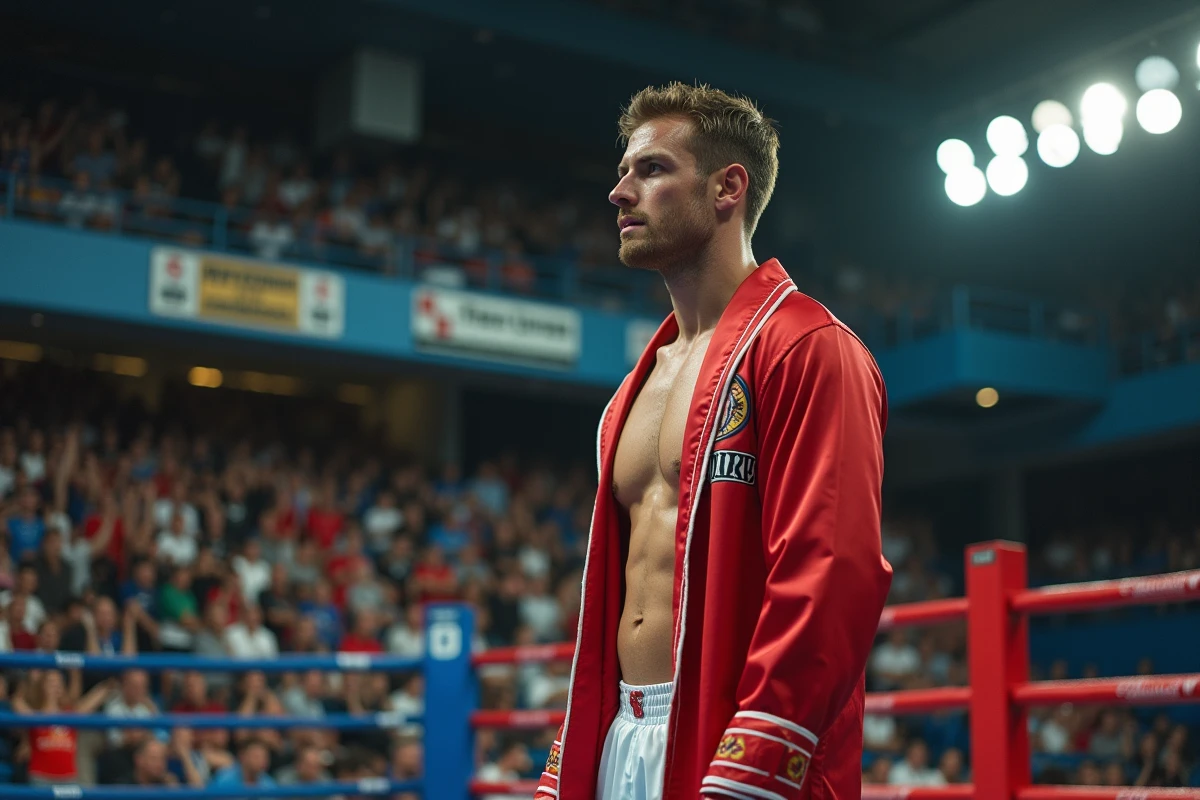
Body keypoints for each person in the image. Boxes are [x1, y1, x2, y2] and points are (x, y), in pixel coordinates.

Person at [534, 83, 890, 800]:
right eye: (624, 171)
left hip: (733, 734)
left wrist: (756, 752)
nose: (619, 192)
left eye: (652, 170)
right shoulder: (629, 393)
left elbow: (830, 571)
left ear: (728, 188)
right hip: (620, 735)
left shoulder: (810, 349)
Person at [14, 670, 116, 784]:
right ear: (42, 686)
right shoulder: (35, 715)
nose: (55, 686)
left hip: (68, 777)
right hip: (41, 777)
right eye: (51, 682)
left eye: (59, 682)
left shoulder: (70, 714)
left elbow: (96, 697)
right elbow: (17, 701)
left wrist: (110, 683)